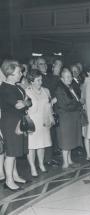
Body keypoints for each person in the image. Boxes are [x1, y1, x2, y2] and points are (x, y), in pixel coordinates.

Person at [0, 59, 30, 190]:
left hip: (18, 121)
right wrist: (25, 102)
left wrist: (25, 102)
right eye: (18, 72)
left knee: (16, 151)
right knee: (11, 153)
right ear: (10, 74)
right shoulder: (5, 88)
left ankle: (15, 175)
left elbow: (29, 101)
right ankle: (9, 180)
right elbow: (19, 105)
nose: (21, 74)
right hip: (10, 123)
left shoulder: (16, 86)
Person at [25, 70, 55, 177]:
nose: (40, 82)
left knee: (42, 145)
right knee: (32, 146)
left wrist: (51, 119)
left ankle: (41, 164)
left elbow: (49, 106)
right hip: (32, 122)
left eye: (41, 80)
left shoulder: (46, 91)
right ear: (31, 81)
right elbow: (25, 109)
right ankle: (33, 167)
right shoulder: (27, 91)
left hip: (44, 121)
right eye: (38, 80)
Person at [54, 68, 82, 169]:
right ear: (62, 78)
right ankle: (65, 163)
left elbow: (74, 100)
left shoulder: (69, 87)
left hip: (70, 117)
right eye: (68, 77)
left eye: (71, 76)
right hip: (64, 118)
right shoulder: (59, 89)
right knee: (65, 141)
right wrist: (78, 104)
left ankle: (69, 160)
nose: (70, 78)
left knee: (70, 140)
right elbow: (64, 105)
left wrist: (77, 103)